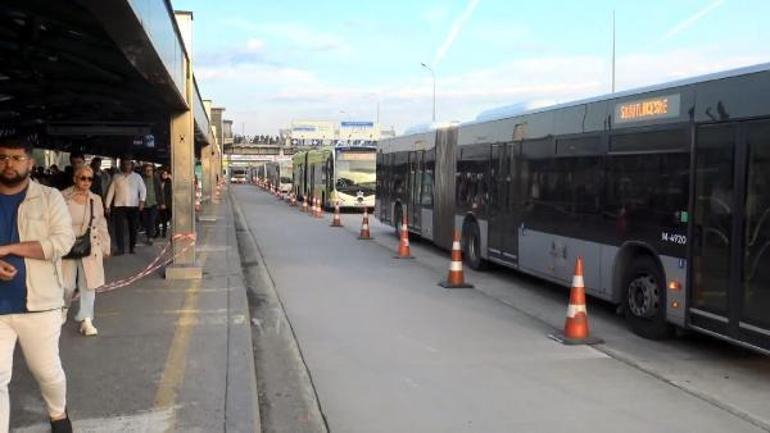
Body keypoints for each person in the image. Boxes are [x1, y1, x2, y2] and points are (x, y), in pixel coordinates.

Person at [0, 137, 76, 433]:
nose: (9, 164)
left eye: (17, 158)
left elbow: (62, 242)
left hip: (39, 304)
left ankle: (58, 414)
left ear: (31, 163)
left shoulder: (49, 197)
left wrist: (8, 249)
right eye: (3, 157)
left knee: (47, 372)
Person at [61, 166, 110, 336]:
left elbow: (101, 222)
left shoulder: (95, 199)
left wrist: (106, 245)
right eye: (83, 178)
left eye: (90, 179)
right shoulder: (62, 197)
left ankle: (87, 320)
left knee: (89, 284)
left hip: (91, 246)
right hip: (67, 246)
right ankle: (63, 308)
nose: (86, 182)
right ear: (75, 178)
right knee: (67, 285)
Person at [105, 157, 145, 255]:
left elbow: (143, 190)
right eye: (124, 164)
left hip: (133, 205)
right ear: (121, 165)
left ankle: (132, 248)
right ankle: (120, 249)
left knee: (133, 228)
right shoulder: (116, 177)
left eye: (128, 164)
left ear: (132, 165)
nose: (126, 166)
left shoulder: (137, 177)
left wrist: (142, 201)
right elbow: (111, 191)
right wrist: (107, 205)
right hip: (119, 206)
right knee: (119, 229)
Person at [140, 164, 162, 245]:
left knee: (151, 220)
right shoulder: (141, 179)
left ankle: (150, 238)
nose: (149, 172)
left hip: (154, 203)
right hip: (144, 204)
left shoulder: (156, 179)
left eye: (150, 170)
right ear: (144, 171)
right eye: (147, 170)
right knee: (145, 222)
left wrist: (161, 203)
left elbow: (160, 191)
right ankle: (149, 235)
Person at [157, 168, 172, 238]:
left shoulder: (169, 182)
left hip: (167, 203)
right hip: (159, 203)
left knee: (165, 219)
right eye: (163, 174)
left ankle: (164, 233)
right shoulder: (158, 182)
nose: (165, 175)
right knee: (158, 219)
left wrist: (166, 204)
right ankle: (158, 232)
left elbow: (170, 194)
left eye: (166, 174)